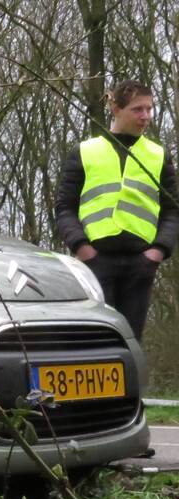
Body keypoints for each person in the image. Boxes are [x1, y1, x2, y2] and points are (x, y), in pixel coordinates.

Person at [55, 79, 178, 340]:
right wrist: (82, 248)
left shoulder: (158, 155)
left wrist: (157, 252)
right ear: (116, 109)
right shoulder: (85, 152)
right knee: (94, 342)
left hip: (141, 264)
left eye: (149, 109)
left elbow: (172, 211)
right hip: (95, 262)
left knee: (130, 346)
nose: (145, 116)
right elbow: (65, 208)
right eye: (137, 109)